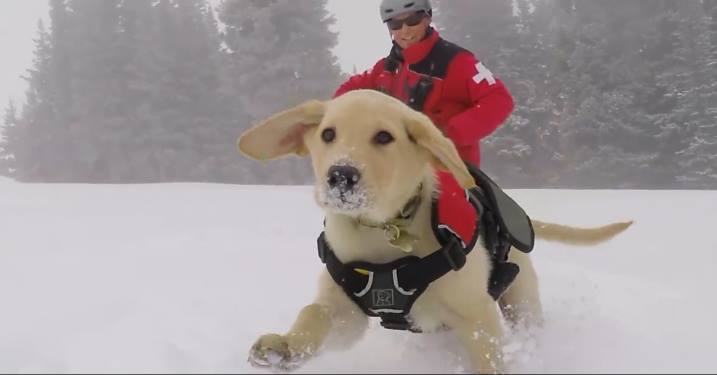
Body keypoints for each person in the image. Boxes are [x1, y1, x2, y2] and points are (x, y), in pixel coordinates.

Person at [334, 0, 514, 168]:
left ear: (427, 17)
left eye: (412, 20)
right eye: (395, 24)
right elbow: (348, 92)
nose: (405, 31)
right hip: (398, 171)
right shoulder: (386, 67)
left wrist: (448, 134)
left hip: (447, 168)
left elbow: (499, 100)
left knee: (443, 200)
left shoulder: (457, 61)